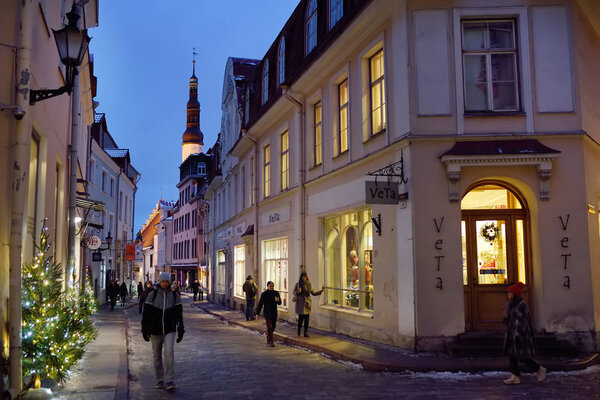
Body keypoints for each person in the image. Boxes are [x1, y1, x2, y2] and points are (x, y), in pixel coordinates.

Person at [142, 272, 185, 391]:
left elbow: (178, 313)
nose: (165, 283)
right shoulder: (153, 295)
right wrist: (144, 329)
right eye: (163, 281)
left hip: (169, 329)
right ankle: (160, 379)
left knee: (169, 353)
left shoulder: (175, 295)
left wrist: (181, 328)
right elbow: (146, 313)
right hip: (155, 330)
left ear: (169, 282)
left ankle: (169, 379)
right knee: (156, 356)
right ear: (159, 282)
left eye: (167, 281)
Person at [503, 282, 546, 385]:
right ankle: (515, 375)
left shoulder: (521, 305)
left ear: (514, 294)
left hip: (519, 334)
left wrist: (517, 335)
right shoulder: (512, 304)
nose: (508, 294)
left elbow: (521, 322)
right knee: (511, 354)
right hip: (511, 333)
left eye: (509, 292)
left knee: (522, 356)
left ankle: (539, 369)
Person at [292, 271, 323, 337]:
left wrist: (320, 291)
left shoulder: (309, 284)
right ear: (301, 277)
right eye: (303, 277)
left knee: (307, 319)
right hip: (300, 303)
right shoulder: (298, 284)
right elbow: (294, 292)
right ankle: (299, 331)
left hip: (307, 303)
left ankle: (305, 333)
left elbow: (313, 293)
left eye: (305, 277)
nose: (304, 278)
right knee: (300, 319)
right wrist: (297, 292)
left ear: (306, 277)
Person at [255, 281, 281, 347]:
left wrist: (278, 300)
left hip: (274, 313)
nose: (272, 287)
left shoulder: (276, 293)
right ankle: (271, 341)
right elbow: (260, 304)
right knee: (269, 327)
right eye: (270, 286)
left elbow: (279, 303)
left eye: (272, 285)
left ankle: (268, 337)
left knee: (273, 327)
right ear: (268, 286)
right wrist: (257, 313)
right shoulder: (264, 294)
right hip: (267, 313)